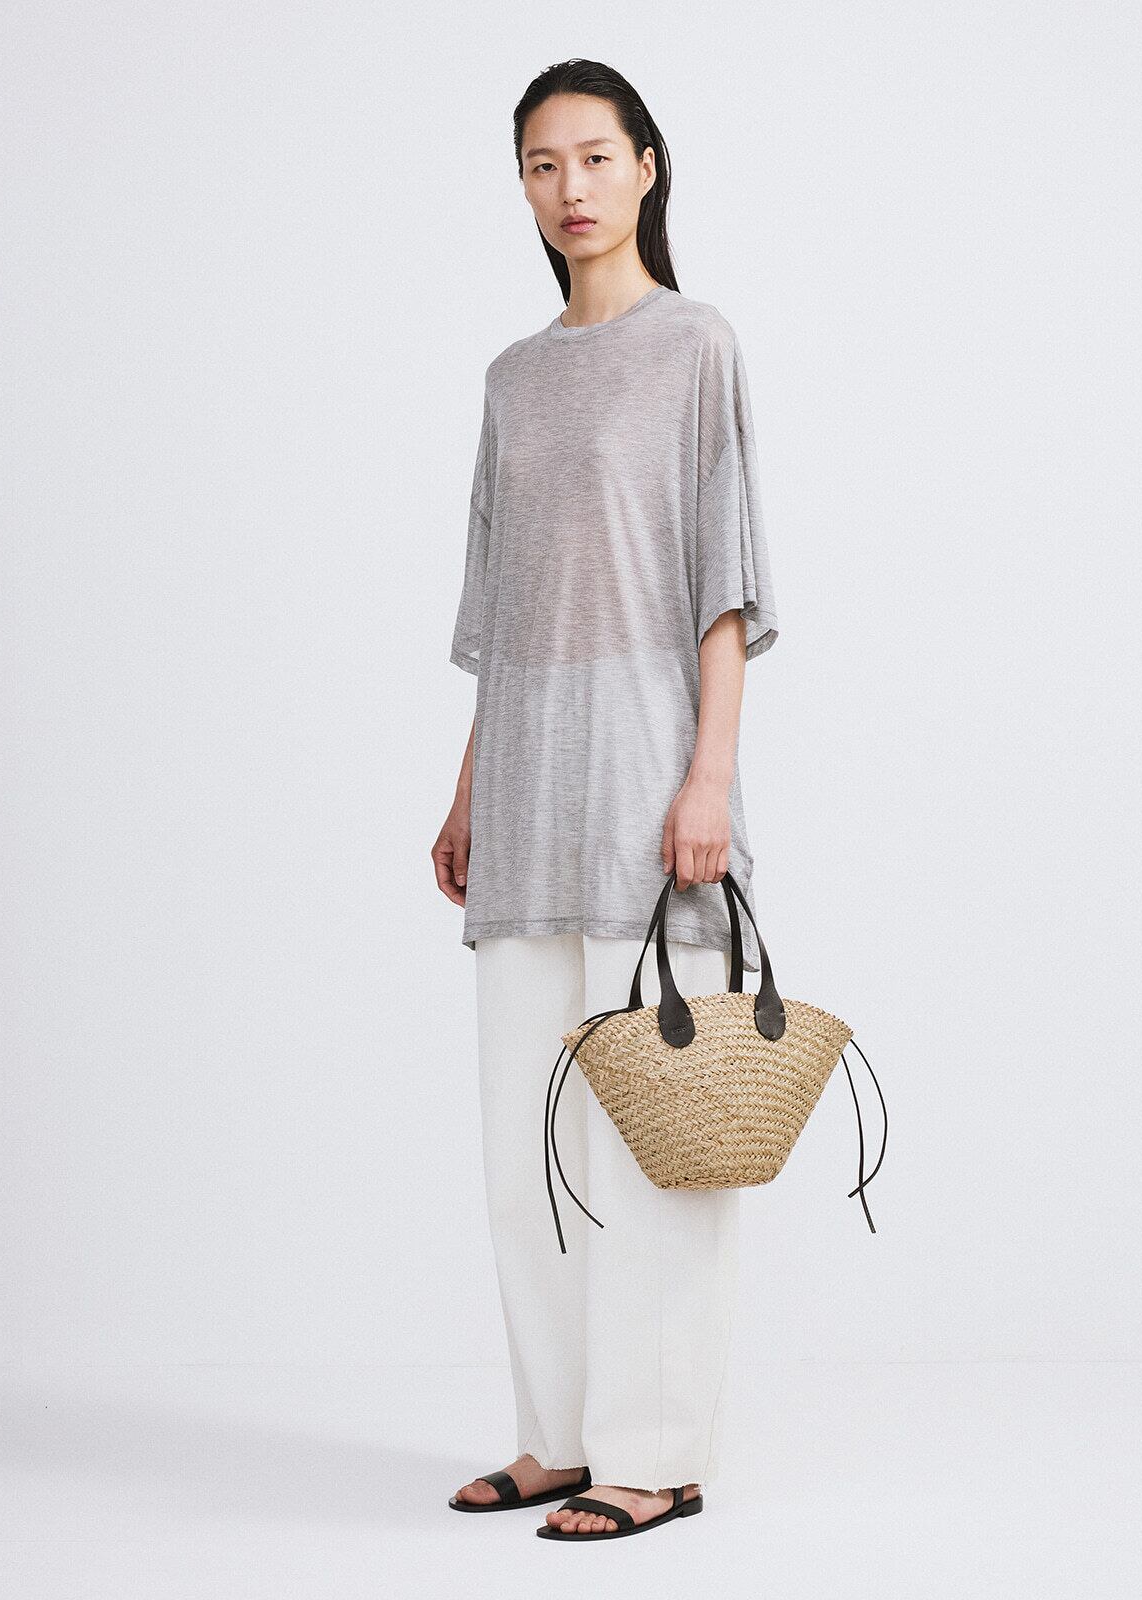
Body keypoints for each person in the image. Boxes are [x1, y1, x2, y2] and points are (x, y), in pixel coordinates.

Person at [432, 58, 779, 1542]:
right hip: (523, 798)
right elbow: (500, 613)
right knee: (534, 1146)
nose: (569, 187)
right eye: (540, 165)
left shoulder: (695, 347)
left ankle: (657, 1453)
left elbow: (725, 584)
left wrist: (711, 778)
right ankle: (557, 1437)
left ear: (647, 165)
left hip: (650, 795)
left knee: (658, 1135)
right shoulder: (512, 379)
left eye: (593, 156)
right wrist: (464, 794)